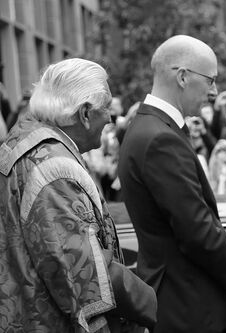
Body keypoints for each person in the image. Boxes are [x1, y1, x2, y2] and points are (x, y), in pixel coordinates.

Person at [0, 58, 157, 332]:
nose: (110, 117)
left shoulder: (28, 140)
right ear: (84, 113)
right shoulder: (53, 169)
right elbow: (83, 277)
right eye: (105, 106)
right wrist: (155, 306)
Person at [118, 35, 226, 333]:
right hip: (188, 307)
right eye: (211, 80)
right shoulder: (160, 137)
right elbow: (198, 232)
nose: (215, 91)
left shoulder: (147, 127)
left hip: (176, 298)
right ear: (182, 77)